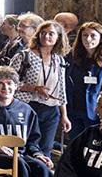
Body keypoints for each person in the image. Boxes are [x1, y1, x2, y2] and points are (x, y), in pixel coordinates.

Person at [10, 19, 70, 156]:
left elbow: (61, 89)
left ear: (58, 37)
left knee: (45, 150)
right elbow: (9, 83)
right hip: (28, 106)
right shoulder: (24, 56)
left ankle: (43, 176)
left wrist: (64, 115)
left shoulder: (59, 60)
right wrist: (35, 88)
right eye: (43, 33)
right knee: (25, 148)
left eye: (51, 34)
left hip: (51, 110)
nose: (46, 36)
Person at [66, 22, 102, 139]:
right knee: (76, 143)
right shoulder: (72, 56)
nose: (88, 39)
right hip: (73, 109)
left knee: (93, 143)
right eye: (85, 35)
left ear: (100, 38)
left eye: (93, 36)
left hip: (95, 111)